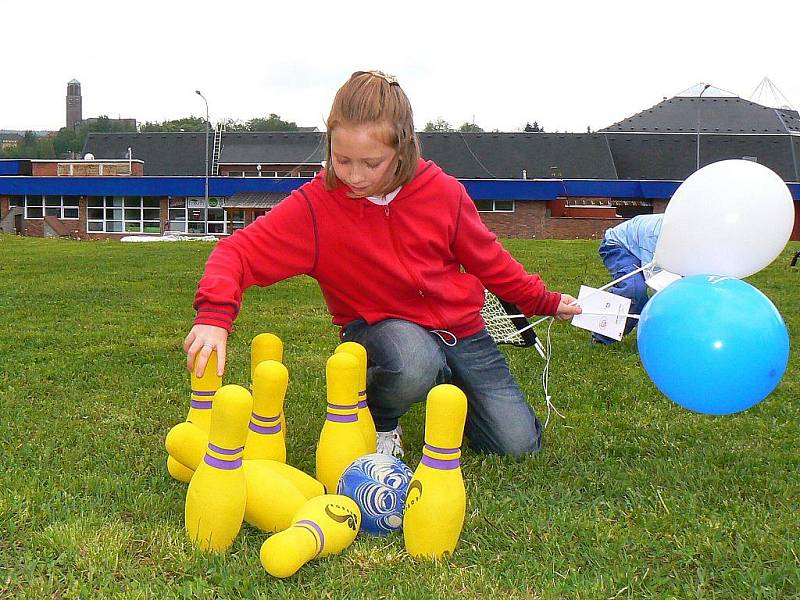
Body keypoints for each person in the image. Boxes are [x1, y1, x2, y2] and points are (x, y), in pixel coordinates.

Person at [183, 70, 581, 458]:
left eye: (371, 163)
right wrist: (214, 315)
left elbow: (492, 262)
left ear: (403, 150)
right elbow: (236, 252)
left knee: (517, 446)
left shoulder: (442, 193)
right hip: (381, 333)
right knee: (413, 361)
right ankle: (382, 418)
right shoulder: (315, 208)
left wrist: (545, 301)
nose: (354, 176)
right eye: (342, 160)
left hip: (462, 331)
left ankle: (448, 385)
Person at [591, 213, 663, 345]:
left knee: (640, 298)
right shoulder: (654, 233)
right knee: (634, 288)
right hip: (616, 245)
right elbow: (651, 274)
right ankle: (601, 337)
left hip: (640, 249)